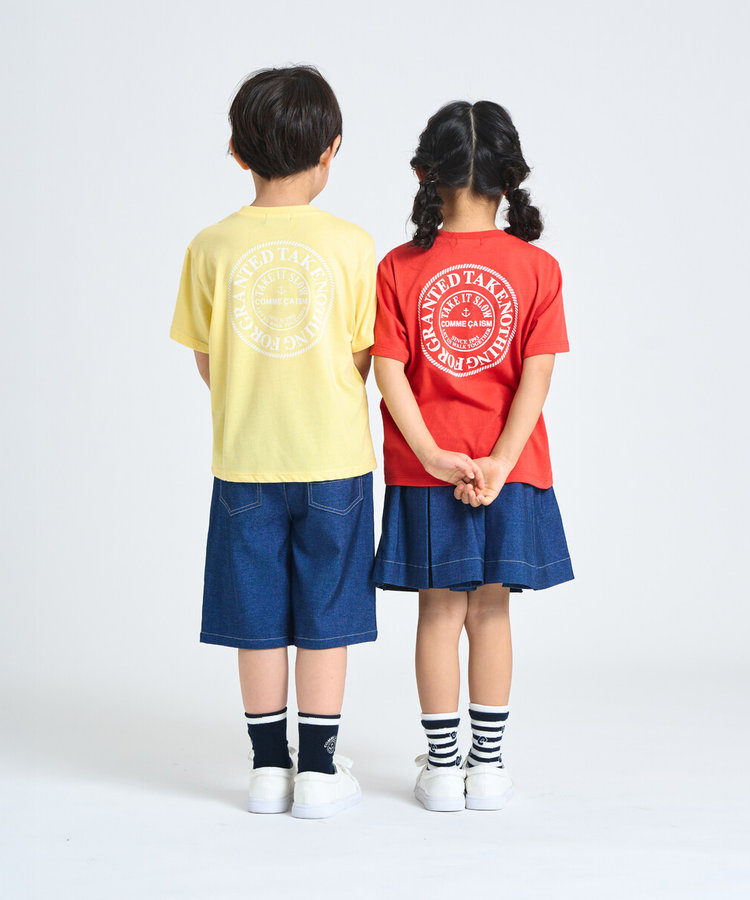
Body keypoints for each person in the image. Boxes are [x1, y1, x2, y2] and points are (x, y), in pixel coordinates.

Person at [170, 66, 377, 819]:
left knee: (256, 614)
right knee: (326, 612)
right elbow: (364, 357)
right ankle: (317, 771)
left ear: (236, 151)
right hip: (335, 461)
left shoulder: (211, 246)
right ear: (332, 149)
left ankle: (266, 769)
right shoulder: (354, 246)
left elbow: (207, 360)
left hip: (245, 462)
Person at [371, 100, 574, 812]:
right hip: (508, 473)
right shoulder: (539, 268)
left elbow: (389, 372)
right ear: (510, 177)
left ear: (424, 172)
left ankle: (441, 770)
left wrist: (431, 454)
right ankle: (486, 768)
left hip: (427, 475)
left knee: (437, 613)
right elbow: (538, 375)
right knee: (491, 612)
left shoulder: (397, 268)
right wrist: (499, 462)